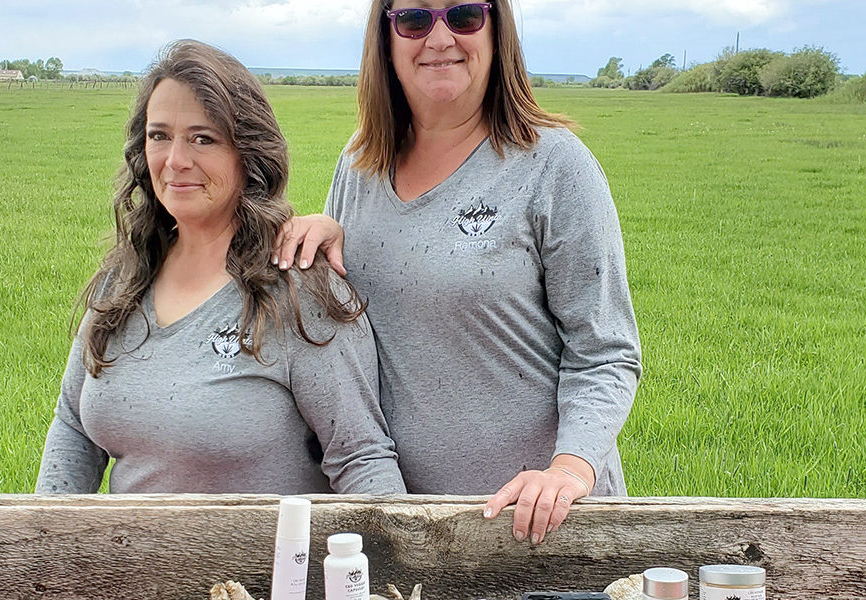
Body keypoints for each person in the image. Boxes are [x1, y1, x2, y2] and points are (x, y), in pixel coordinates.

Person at [272, 0, 641, 543]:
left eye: (464, 15)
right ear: (386, 38)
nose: (440, 38)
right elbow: (357, 329)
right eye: (415, 19)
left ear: (497, 30)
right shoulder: (359, 164)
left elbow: (605, 351)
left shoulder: (554, 164)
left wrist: (569, 470)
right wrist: (331, 236)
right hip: (412, 531)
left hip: (541, 527)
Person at [35, 40, 406, 496]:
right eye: (159, 135)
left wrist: (393, 542)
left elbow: (360, 459)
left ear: (247, 153)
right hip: (127, 548)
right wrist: (45, 534)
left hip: (262, 548)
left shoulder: (299, 289)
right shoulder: (124, 277)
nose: (175, 161)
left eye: (203, 138)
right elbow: (73, 427)